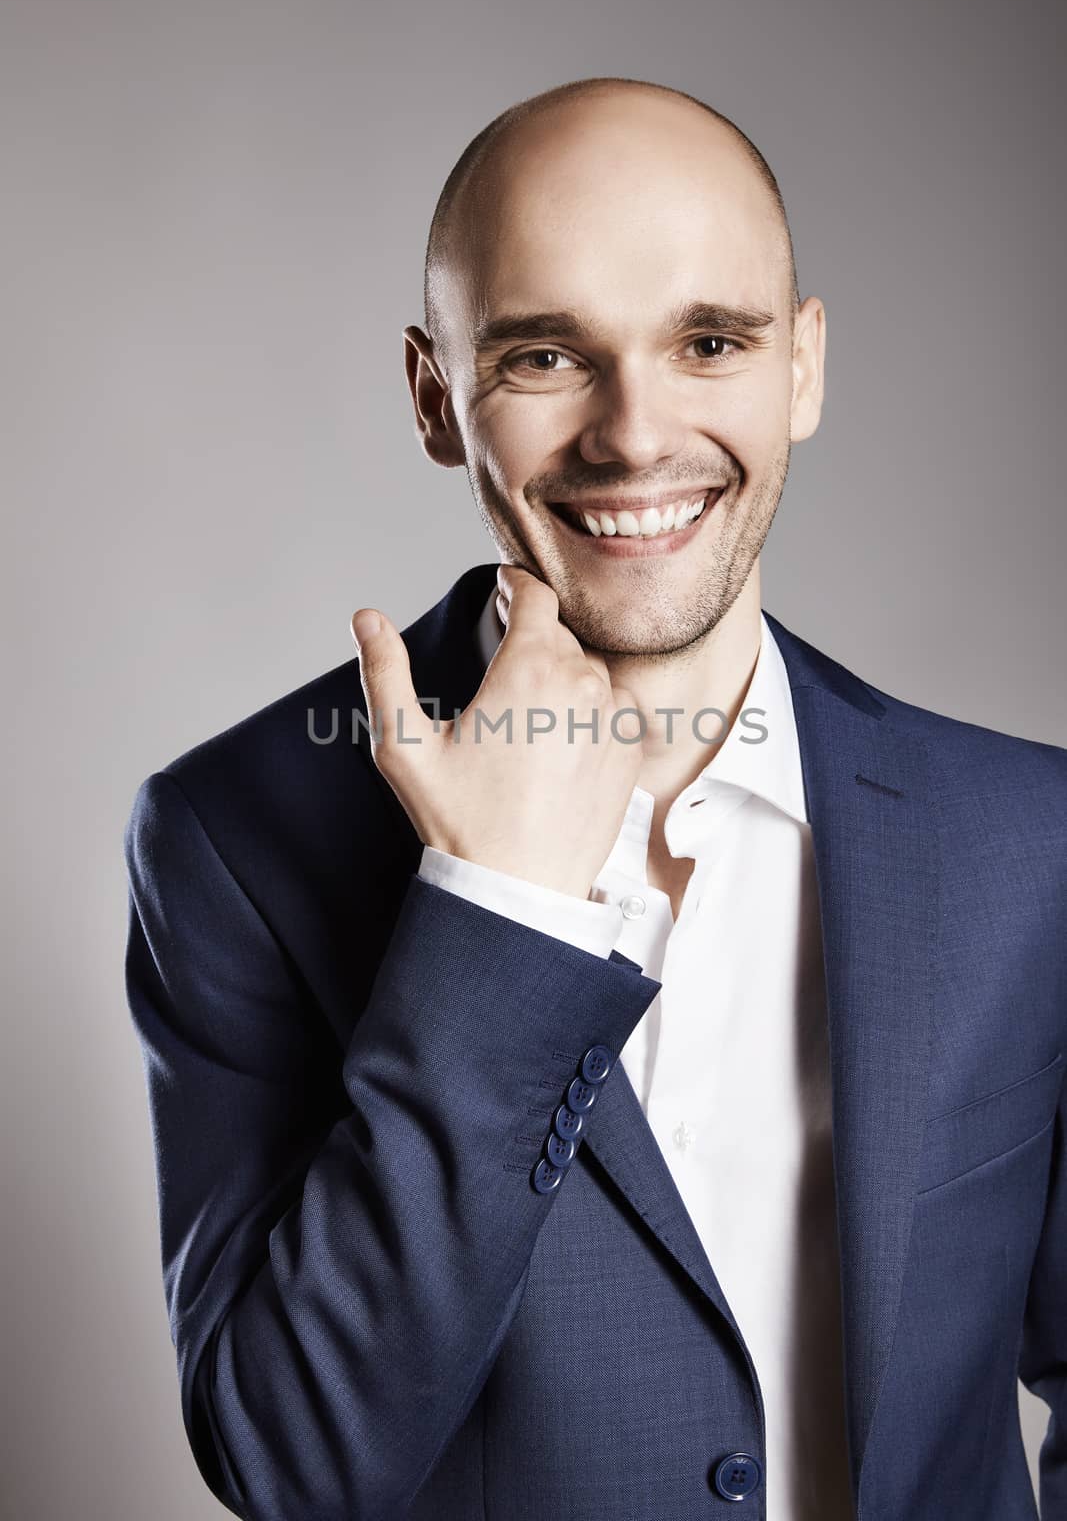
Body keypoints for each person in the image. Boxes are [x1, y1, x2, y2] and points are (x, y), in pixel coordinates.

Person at [123, 77, 1067, 1521]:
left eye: (709, 342)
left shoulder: (1028, 838)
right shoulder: (232, 841)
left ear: (801, 368)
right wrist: (494, 918)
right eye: (549, 356)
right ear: (438, 396)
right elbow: (296, 1467)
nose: (636, 434)